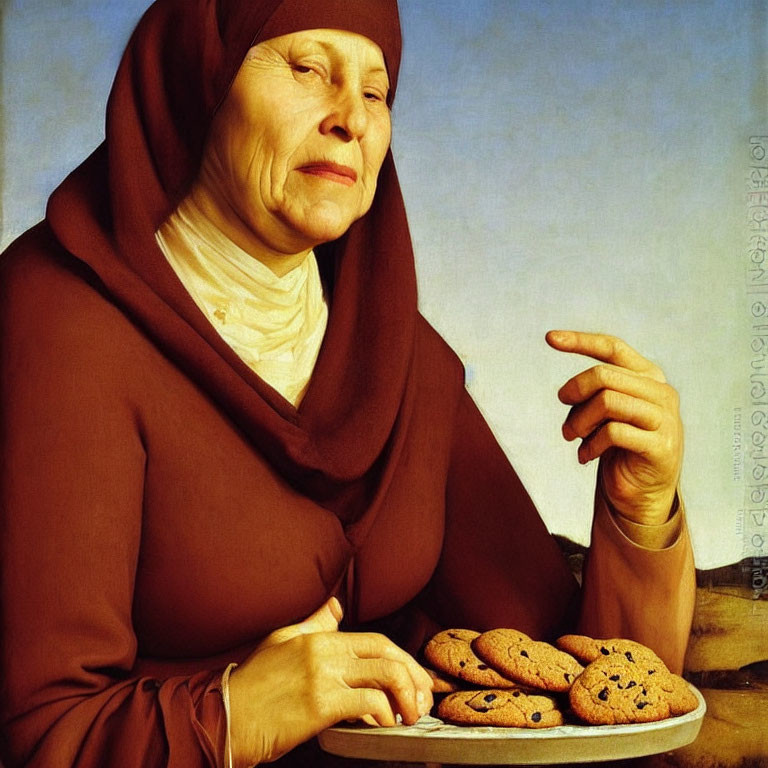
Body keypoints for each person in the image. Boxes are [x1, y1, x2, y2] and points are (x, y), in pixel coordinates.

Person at [0, 0, 695, 766]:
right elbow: (35, 733)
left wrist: (641, 512)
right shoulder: (58, 324)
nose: (351, 120)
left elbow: (564, 678)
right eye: (306, 69)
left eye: (375, 93)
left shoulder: (400, 355)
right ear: (200, 81)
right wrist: (234, 714)